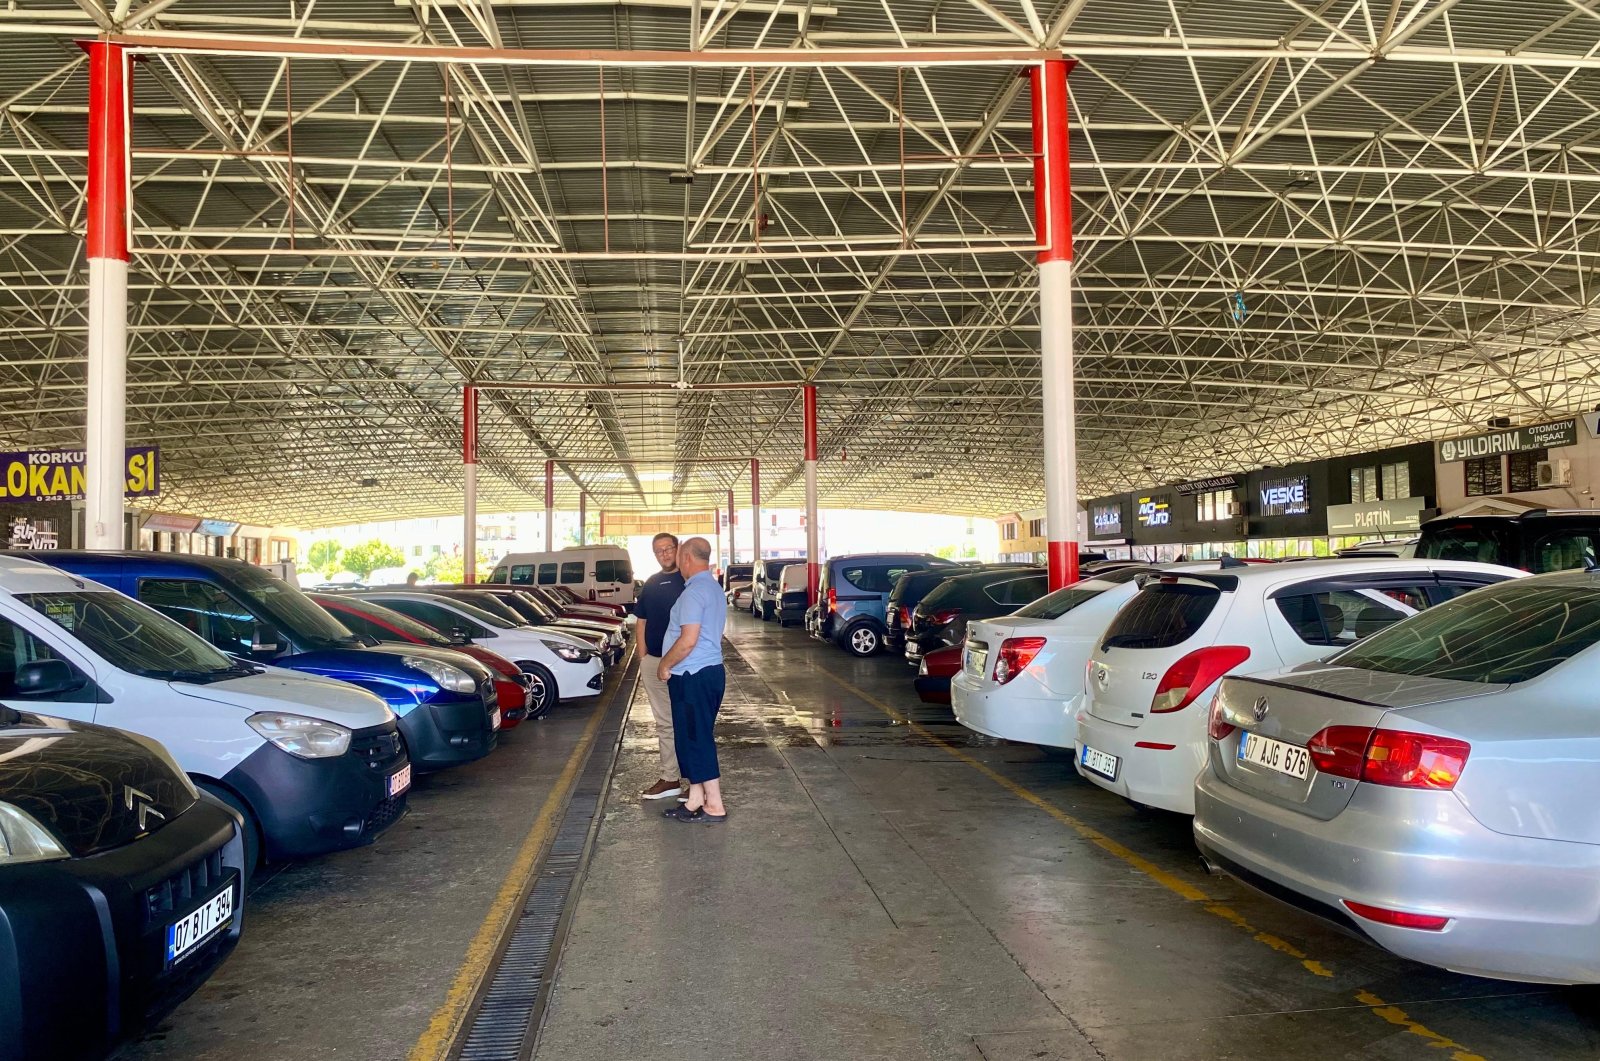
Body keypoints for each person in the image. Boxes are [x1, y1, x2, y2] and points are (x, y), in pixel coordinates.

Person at [658, 536, 728, 824]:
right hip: (710, 672)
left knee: (696, 739)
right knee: (694, 736)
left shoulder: (693, 593)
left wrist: (665, 664)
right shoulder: (712, 588)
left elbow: (687, 641)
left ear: (686, 557)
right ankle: (695, 799)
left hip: (692, 674)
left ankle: (715, 804)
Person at [635, 532, 687, 800]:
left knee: (689, 720)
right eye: (659, 551)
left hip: (685, 663)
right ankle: (670, 778)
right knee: (664, 723)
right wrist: (643, 656)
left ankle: (697, 781)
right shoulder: (652, 583)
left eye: (668, 548)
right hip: (654, 663)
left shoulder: (689, 581)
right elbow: (641, 620)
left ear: (678, 549)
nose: (664, 554)